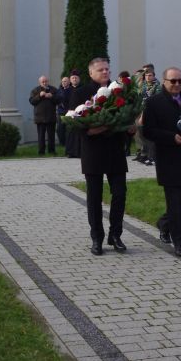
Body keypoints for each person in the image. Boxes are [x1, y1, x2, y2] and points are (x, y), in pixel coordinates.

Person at [142, 67, 181, 257]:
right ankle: (180, 242)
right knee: (175, 202)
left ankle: (164, 223)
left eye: (180, 81)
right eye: (173, 81)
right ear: (165, 82)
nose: (177, 84)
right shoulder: (154, 102)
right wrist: (171, 138)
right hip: (168, 158)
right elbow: (148, 131)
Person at [75, 57, 131, 255]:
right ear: (91, 73)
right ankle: (96, 237)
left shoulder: (119, 92)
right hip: (93, 152)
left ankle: (115, 234)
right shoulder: (81, 93)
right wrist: (101, 127)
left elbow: (126, 115)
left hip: (115, 150)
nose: (105, 72)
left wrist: (130, 127)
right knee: (94, 197)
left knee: (120, 193)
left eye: (107, 69)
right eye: (100, 70)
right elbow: (78, 124)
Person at [28, 75, 58, 155]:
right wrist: (39, 96)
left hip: (51, 116)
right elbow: (32, 101)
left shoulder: (53, 89)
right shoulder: (35, 90)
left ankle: (52, 151)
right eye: (43, 82)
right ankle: (41, 152)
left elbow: (59, 100)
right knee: (41, 136)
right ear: (40, 82)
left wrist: (52, 96)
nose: (45, 83)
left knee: (51, 135)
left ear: (48, 81)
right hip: (40, 117)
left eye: (46, 81)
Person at [64, 70, 83, 158]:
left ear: (79, 79)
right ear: (70, 80)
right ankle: (70, 152)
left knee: (79, 133)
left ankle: (79, 152)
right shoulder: (67, 90)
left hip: (81, 114)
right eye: (73, 78)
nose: (74, 79)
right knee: (70, 133)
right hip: (70, 113)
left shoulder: (83, 89)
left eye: (76, 78)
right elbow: (64, 102)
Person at [56, 75, 71, 148]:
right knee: (60, 128)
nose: (63, 83)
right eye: (62, 81)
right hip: (61, 111)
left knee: (68, 128)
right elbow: (56, 100)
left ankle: (68, 143)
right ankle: (62, 143)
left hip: (69, 111)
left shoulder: (71, 90)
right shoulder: (59, 90)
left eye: (65, 81)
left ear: (69, 82)